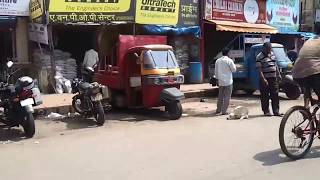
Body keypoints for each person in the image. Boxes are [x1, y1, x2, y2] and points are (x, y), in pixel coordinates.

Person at [292, 33, 320, 107]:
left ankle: (306, 108)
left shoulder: (309, 40)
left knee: (307, 87)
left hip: (296, 73)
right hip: (312, 74)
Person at [256, 42, 282, 116]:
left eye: (270, 49)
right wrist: (263, 79)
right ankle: (266, 111)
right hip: (265, 79)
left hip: (273, 78)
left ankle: (276, 111)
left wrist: (278, 74)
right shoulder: (259, 56)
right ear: (264, 48)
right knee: (265, 95)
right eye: (268, 49)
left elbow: (275, 65)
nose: (269, 50)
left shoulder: (272, 54)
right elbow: (259, 69)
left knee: (275, 94)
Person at [214, 48, 236, 115]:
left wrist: (217, 80)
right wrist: (233, 61)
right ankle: (224, 111)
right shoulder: (229, 60)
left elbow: (216, 72)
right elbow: (234, 70)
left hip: (220, 81)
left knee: (220, 96)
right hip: (228, 81)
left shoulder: (218, 60)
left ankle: (218, 110)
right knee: (227, 97)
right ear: (228, 53)